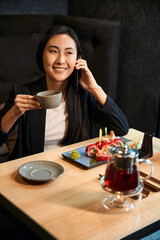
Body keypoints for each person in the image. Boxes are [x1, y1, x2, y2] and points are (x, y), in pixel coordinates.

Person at [0, 25, 129, 161]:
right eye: (53, 51)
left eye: (68, 53)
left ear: (78, 59)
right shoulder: (23, 92)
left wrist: (95, 88)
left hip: (76, 170)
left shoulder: (85, 93)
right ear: (42, 55)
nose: (61, 60)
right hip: (34, 171)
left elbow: (122, 128)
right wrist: (13, 113)